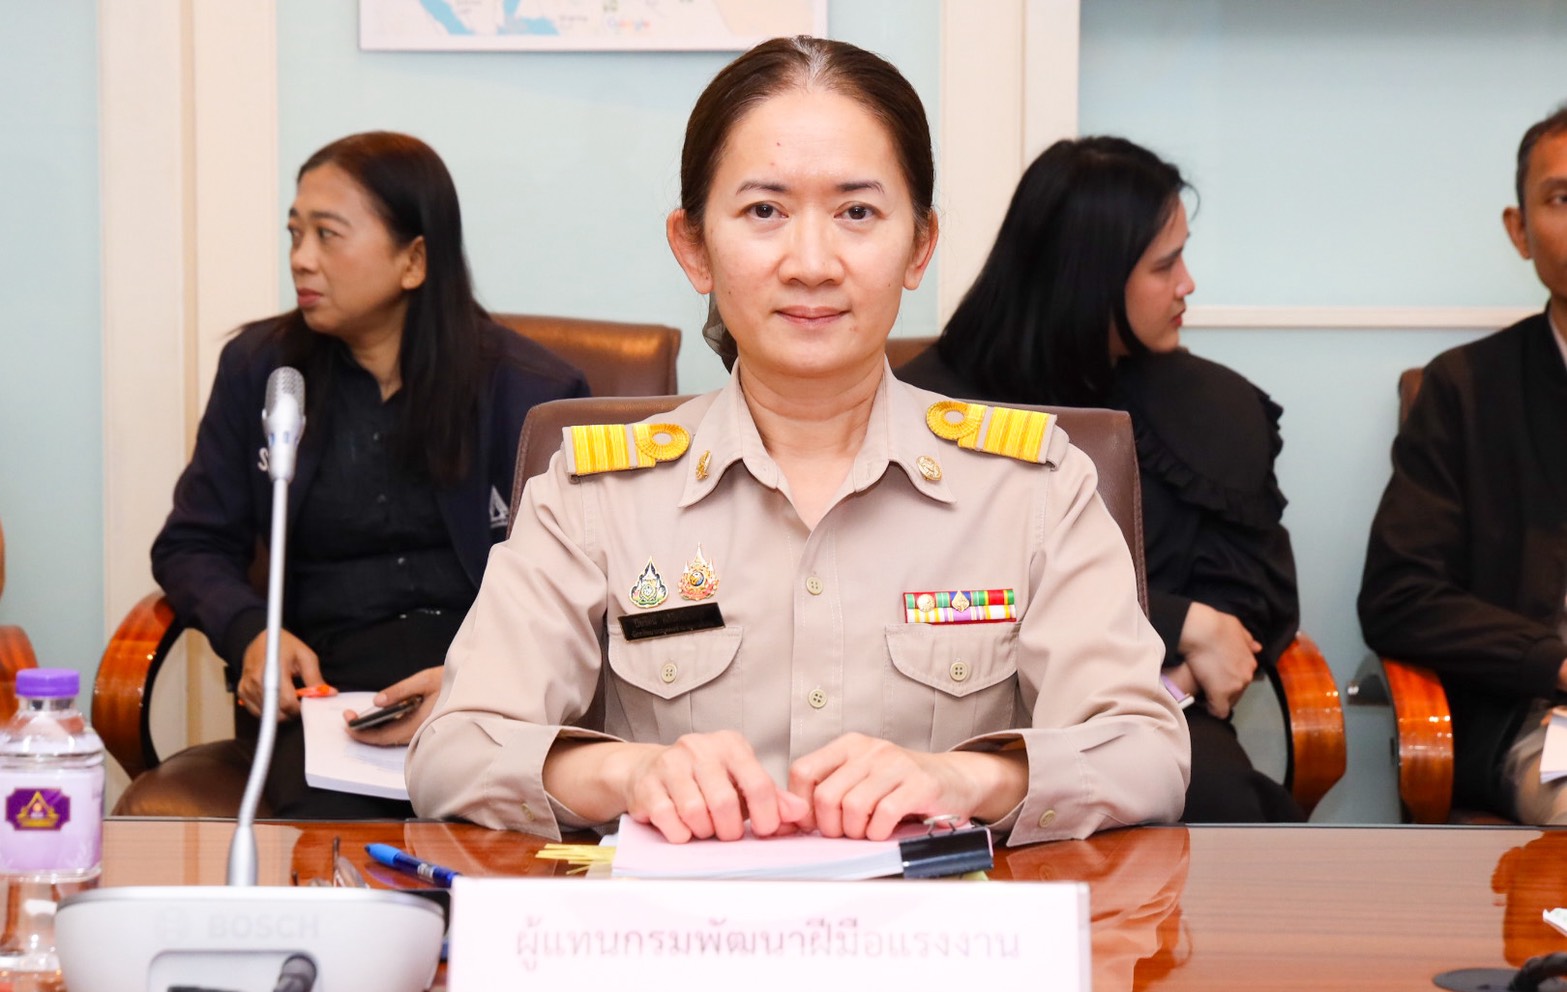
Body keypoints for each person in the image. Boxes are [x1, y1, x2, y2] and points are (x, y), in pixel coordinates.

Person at [406, 37, 1188, 845]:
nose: (811, 263)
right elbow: (453, 751)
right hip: (683, 919)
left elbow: (1146, 750)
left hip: (936, 917)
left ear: (919, 244)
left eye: (857, 213)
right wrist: (629, 773)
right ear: (693, 247)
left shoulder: (1031, 486)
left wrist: (966, 777)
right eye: (763, 212)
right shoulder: (595, 495)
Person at [151, 131, 589, 818]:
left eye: (328, 235)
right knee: (325, 837)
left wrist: (476, 682)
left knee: (496, 821)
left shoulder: (530, 391)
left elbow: (584, 578)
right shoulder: (263, 370)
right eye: (295, 233)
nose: (301, 258)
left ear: (414, 260)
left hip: (481, 684)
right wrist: (251, 632)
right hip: (326, 692)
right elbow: (192, 543)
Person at [899, 136, 1304, 823]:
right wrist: (1183, 621)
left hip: (1144, 707)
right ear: (1087, 279)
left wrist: (1177, 677)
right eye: (1164, 265)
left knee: (1218, 800)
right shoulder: (925, 408)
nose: (1187, 284)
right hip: (953, 706)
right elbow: (916, 590)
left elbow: (1255, 601)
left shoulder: (1212, 406)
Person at [1359, 106, 1567, 823]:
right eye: (1562, 198)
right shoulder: (1465, 389)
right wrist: (1549, 659)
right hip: (1542, 718)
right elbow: (1399, 595)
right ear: (1519, 229)